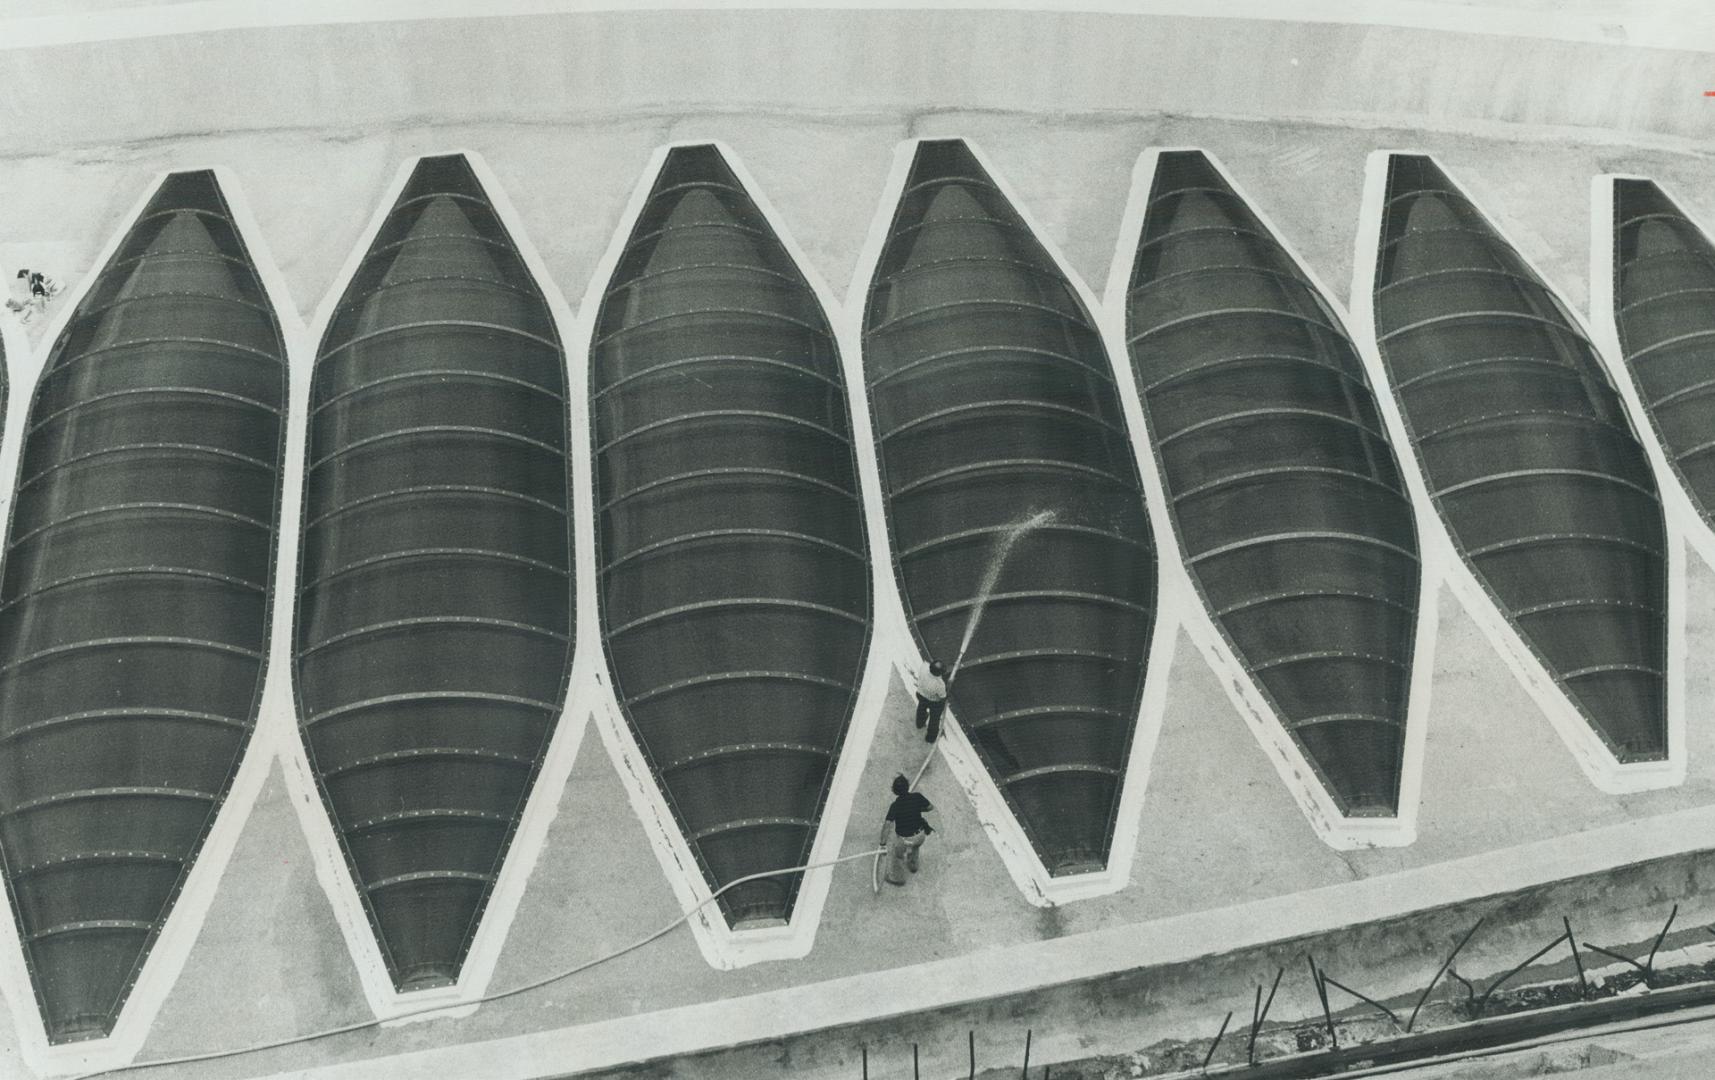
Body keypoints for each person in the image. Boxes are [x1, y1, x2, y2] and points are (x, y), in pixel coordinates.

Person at [882, 774, 934, 886]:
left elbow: (887, 825)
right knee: (915, 848)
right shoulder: (917, 797)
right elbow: (930, 807)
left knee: (897, 855)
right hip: (920, 835)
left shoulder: (895, 806)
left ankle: (897, 878)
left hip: (905, 839)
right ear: (908, 786)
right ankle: (913, 866)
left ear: (894, 791)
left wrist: (882, 844)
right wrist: (916, 809)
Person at [914, 659, 949, 743]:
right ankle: (930, 738)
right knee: (934, 719)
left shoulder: (924, 668)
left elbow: (925, 662)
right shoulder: (940, 684)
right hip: (932, 702)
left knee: (921, 709)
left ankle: (919, 724)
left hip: (920, 695)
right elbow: (942, 697)